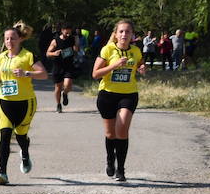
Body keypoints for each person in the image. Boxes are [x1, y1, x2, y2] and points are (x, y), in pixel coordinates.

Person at [0, 25, 47, 185]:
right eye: (7, 38)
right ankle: (2, 172)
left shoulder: (28, 56)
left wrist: (26, 73)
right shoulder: (2, 57)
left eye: (12, 38)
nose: (9, 41)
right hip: (4, 101)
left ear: (19, 39)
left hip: (25, 102)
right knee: (5, 135)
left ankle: (25, 154)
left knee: (21, 136)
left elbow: (43, 74)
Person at [92, 18, 146, 183]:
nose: (124, 34)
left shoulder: (136, 51)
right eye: (121, 31)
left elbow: (140, 64)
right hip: (107, 95)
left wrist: (142, 68)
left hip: (128, 94)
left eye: (128, 31)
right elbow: (95, 74)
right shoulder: (108, 50)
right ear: (115, 34)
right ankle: (110, 159)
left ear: (132, 35)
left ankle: (121, 169)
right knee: (110, 133)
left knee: (122, 129)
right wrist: (113, 66)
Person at [45, 24, 81, 112]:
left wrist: (76, 40)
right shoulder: (55, 40)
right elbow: (47, 53)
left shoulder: (72, 39)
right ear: (62, 30)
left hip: (68, 66)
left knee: (68, 84)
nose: (68, 32)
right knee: (58, 87)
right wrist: (54, 53)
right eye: (66, 30)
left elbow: (76, 50)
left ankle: (65, 93)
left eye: (69, 30)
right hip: (58, 66)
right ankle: (58, 104)